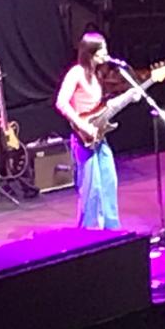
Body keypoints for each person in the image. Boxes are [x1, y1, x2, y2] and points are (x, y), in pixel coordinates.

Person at [56, 31, 134, 230]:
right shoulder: (76, 73)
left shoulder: (98, 74)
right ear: (90, 53)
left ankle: (112, 230)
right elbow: (61, 103)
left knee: (109, 182)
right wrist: (83, 126)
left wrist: (130, 96)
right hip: (83, 138)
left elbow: (101, 109)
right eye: (102, 51)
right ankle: (88, 234)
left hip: (99, 138)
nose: (106, 54)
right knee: (92, 188)